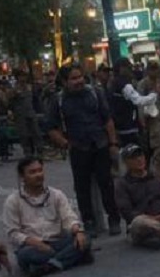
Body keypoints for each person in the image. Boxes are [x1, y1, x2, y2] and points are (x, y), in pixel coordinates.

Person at [46, 65, 123, 237]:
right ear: (65, 82)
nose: (78, 81)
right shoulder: (58, 100)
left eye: (80, 77)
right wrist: (66, 143)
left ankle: (114, 218)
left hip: (100, 144)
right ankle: (88, 222)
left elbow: (107, 119)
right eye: (73, 78)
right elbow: (51, 127)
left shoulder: (95, 93)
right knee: (82, 188)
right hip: (78, 148)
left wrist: (112, 143)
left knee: (107, 184)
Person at [3, 157, 91, 277]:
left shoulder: (56, 194)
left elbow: (68, 217)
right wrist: (36, 243)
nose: (38, 175)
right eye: (32, 172)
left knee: (85, 238)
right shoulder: (13, 201)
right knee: (25, 255)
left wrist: (77, 231)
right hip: (33, 246)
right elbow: (13, 233)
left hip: (57, 241)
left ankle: (48, 267)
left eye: (40, 170)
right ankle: (71, 258)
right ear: (22, 176)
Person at [136, 61, 160, 181]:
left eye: (156, 69)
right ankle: (159, 171)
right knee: (159, 144)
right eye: (152, 69)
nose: (154, 72)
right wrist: (142, 118)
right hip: (152, 118)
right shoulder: (143, 84)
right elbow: (140, 102)